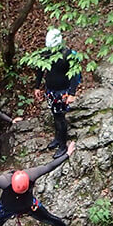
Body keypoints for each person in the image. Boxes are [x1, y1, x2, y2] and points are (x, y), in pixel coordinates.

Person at [34, 28, 82, 158]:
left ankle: (62, 145)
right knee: (54, 114)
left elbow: (74, 75)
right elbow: (39, 69)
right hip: (50, 90)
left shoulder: (67, 55)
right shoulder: (45, 53)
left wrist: (72, 93)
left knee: (60, 117)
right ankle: (57, 138)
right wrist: (37, 87)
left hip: (63, 91)